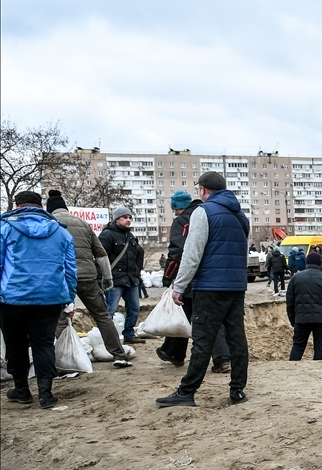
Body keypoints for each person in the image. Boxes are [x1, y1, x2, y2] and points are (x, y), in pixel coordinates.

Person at [156, 171, 250, 407]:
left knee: (202, 340)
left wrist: (179, 286)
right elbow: (242, 254)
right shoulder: (241, 217)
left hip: (209, 287)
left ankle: (187, 392)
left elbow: (192, 253)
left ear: (203, 190)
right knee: (237, 338)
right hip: (236, 286)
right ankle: (237, 390)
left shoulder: (203, 212)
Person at [0, 190, 77, 408]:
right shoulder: (61, 233)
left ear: (16, 206)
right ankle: (46, 394)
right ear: (41, 207)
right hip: (50, 298)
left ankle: (22, 391)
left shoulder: (4, 228)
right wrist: (69, 298)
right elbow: (70, 270)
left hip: (12, 299)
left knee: (15, 344)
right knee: (44, 344)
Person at [46, 190, 131, 369]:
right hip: (87, 277)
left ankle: (67, 361)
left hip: (60, 279)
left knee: (61, 319)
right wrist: (107, 278)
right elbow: (100, 253)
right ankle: (119, 355)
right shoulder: (82, 223)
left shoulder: (48, 224)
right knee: (102, 315)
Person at [156, 191, 231, 373]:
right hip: (214, 273)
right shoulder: (209, 214)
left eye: (175, 210)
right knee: (188, 312)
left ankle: (221, 358)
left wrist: (170, 276)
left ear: (179, 208)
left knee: (202, 316)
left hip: (192, 275)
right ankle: (173, 351)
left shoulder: (183, 221)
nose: (175, 214)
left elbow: (178, 251)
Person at [99, 206, 146, 343]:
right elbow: (100, 257)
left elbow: (135, 256)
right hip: (114, 280)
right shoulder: (107, 235)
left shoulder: (129, 236)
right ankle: (106, 338)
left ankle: (129, 334)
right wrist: (100, 277)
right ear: (116, 219)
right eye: (125, 217)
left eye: (130, 217)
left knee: (134, 309)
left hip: (130, 279)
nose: (128, 220)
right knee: (110, 310)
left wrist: (137, 274)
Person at [286, 250, 322, 361]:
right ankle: (317, 371)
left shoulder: (295, 278)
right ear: (320, 263)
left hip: (301, 318)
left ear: (306, 262)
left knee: (298, 346)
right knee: (319, 348)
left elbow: (290, 301)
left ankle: (292, 369)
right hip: (321, 319)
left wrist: (293, 319)